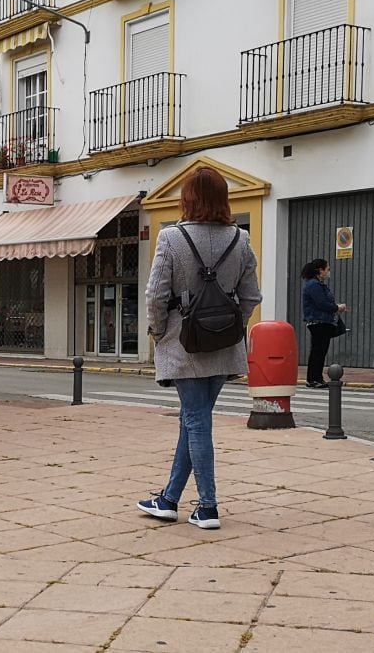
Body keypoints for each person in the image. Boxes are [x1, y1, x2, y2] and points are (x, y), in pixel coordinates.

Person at [138, 166, 262, 530]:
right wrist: (226, 323)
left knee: (196, 419)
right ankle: (169, 499)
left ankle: (208, 506)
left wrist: (159, 333)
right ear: (223, 199)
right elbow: (251, 295)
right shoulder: (240, 239)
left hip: (183, 341)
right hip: (223, 344)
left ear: (188, 199)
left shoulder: (171, 238)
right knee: (193, 419)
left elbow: (155, 294)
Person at [301, 258, 347, 388]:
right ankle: (313, 379)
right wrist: (337, 308)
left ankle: (316, 378)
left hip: (322, 321)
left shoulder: (316, 284)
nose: (329, 272)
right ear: (320, 270)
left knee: (320, 351)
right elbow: (322, 303)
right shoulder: (314, 285)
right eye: (327, 269)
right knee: (318, 351)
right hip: (319, 322)